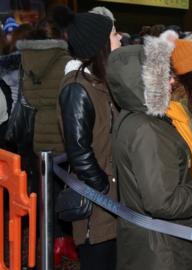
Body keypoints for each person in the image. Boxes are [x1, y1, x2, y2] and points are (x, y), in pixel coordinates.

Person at [107, 32, 192, 270]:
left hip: (151, 241)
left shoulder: (135, 115)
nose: (172, 81)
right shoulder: (148, 129)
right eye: (163, 76)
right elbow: (163, 202)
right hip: (161, 249)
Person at [57, 12, 122, 270]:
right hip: (97, 204)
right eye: (115, 34)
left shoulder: (101, 82)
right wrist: (102, 187)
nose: (120, 39)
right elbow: (79, 151)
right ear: (101, 44)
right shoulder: (76, 87)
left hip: (114, 198)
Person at [18, 8, 76, 266]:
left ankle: (50, 242)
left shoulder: (26, 59)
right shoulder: (66, 60)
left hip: (39, 135)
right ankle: (64, 241)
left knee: (46, 193)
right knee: (67, 191)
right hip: (64, 134)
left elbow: (28, 98)